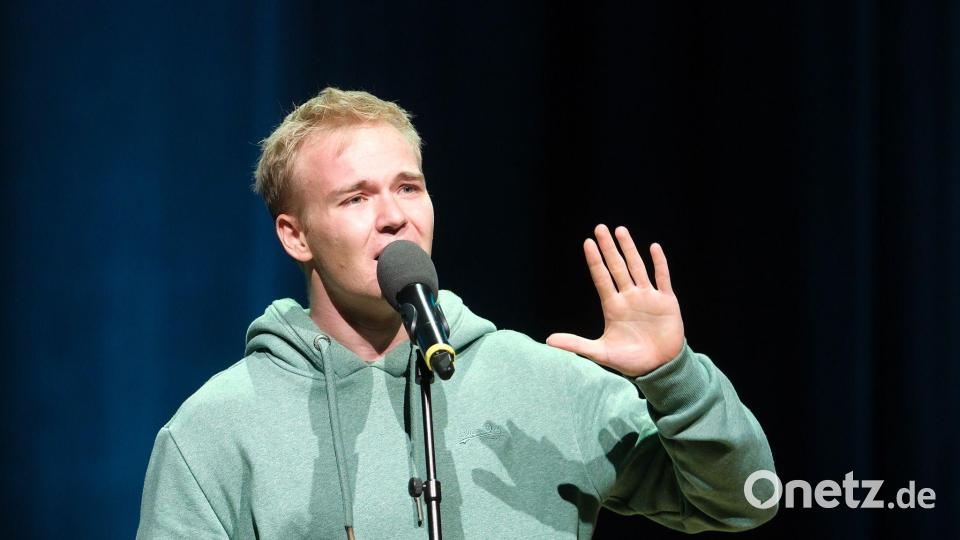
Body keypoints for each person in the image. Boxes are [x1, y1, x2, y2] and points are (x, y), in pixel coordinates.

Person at [136, 88, 778, 539]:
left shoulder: (545, 383)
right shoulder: (216, 431)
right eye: (356, 197)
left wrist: (673, 377)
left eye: (408, 187)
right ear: (294, 235)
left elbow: (743, 502)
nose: (395, 215)